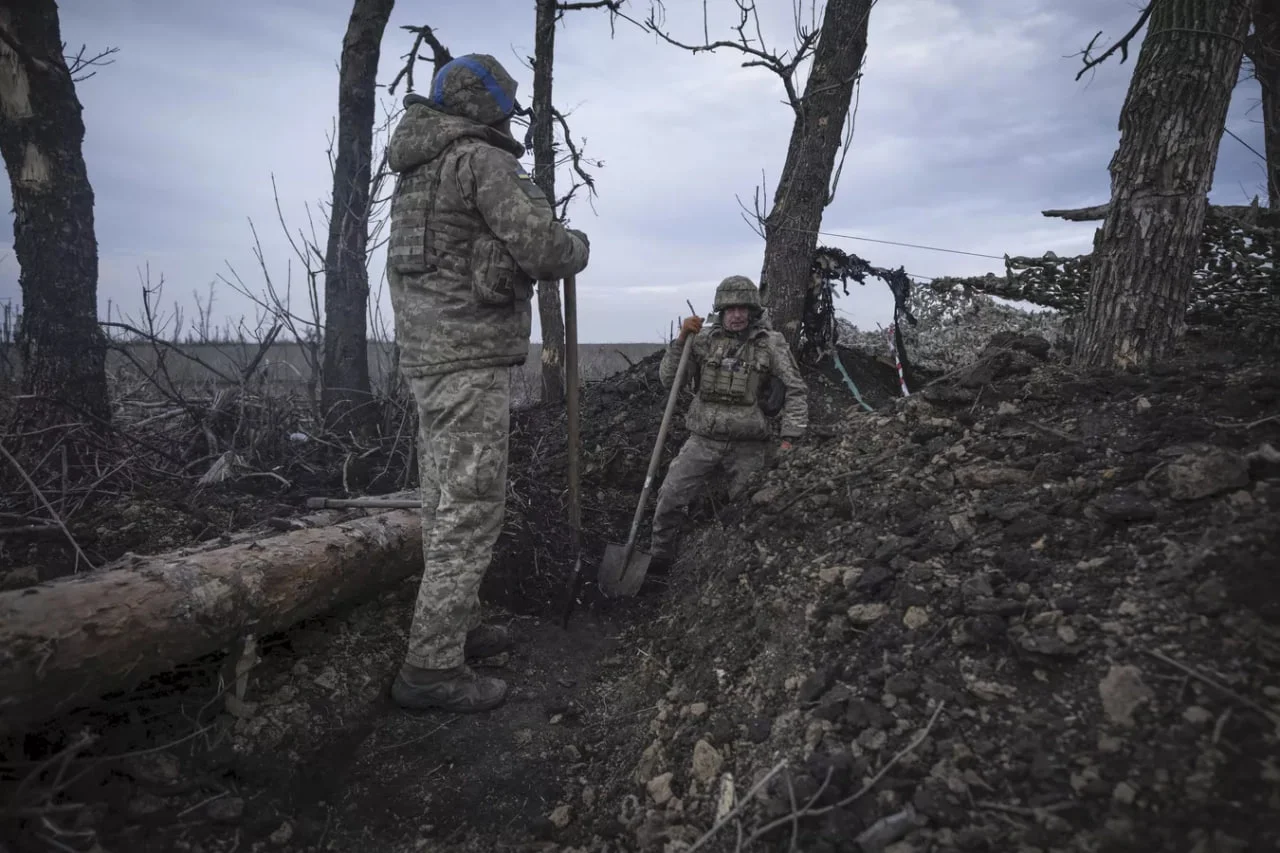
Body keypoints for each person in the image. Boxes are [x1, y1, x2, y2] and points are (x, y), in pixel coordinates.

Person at [385, 54, 589, 713]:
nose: (510, 112)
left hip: (427, 357)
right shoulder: (480, 159)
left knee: (442, 499)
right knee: (472, 506)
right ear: (485, 104)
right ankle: (431, 667)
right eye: (506, 101)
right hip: (469, 358)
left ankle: (456, 624)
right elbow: (545, 249)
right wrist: (576, 243)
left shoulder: (420, 164)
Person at [649, 275, 808, 572]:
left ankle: (743, 567)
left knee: (751, 508)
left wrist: (791, 437)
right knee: (670, 496)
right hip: (703, 440)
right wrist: (682, 340)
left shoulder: (770, 343)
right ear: (721, 311)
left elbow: (796, 390)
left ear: (752, 311)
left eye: (743, 309)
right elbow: (670, 381)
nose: (736, 315)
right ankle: (659, 560)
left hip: (749, 445)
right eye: (730, 309)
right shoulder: (703, 340)